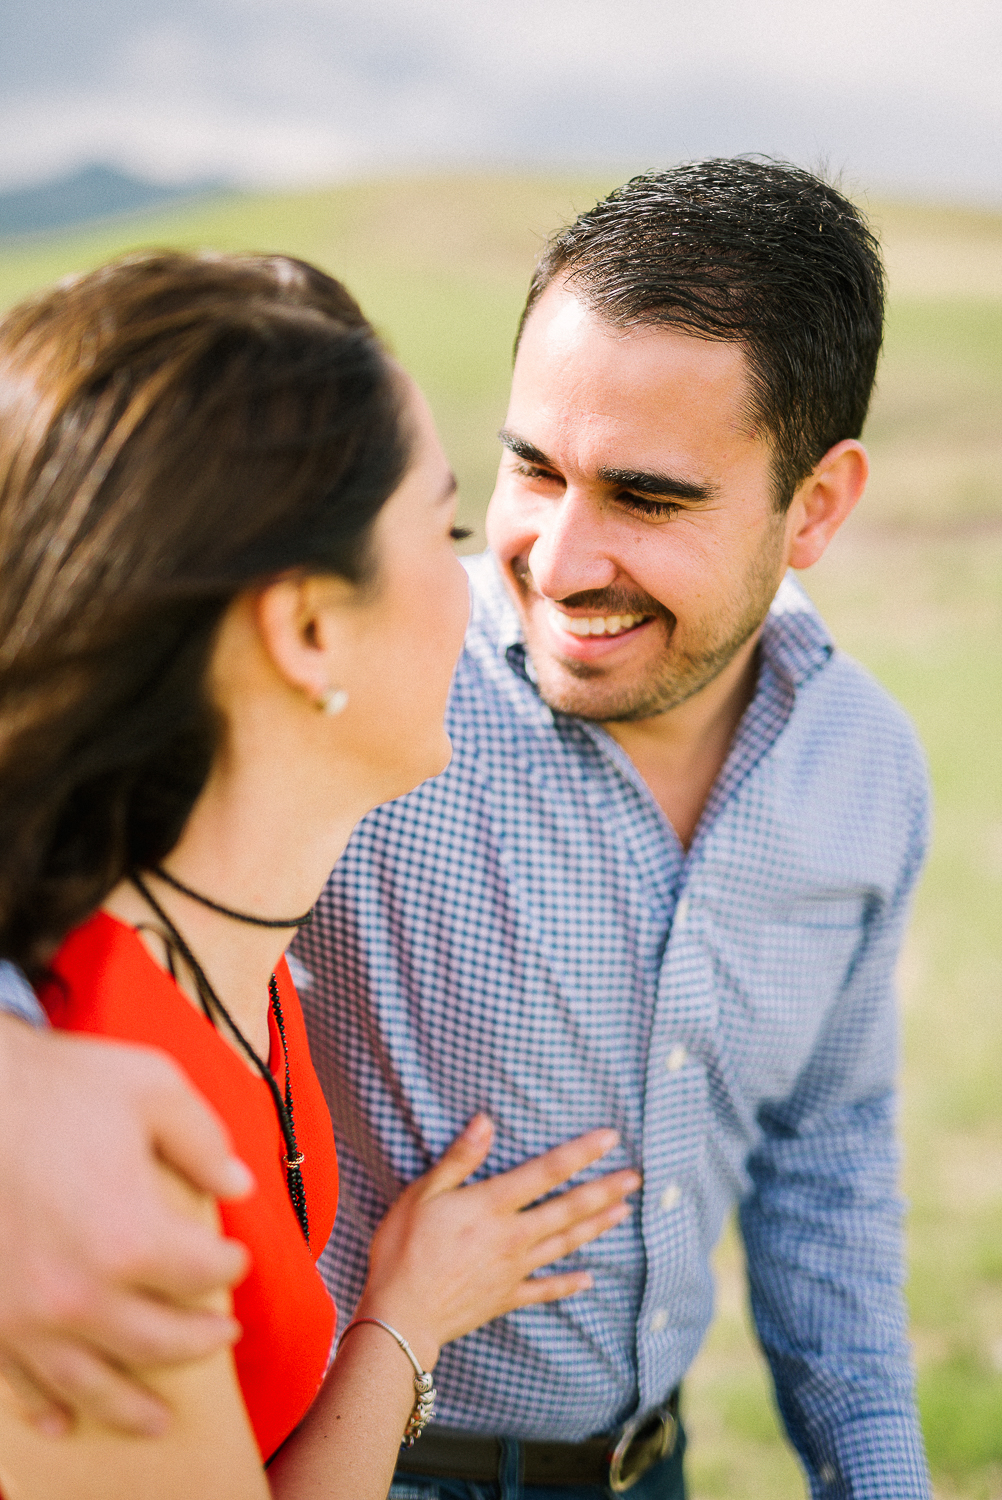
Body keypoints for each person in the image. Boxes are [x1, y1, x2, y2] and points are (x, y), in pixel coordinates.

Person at [0, 157, 932, 1498]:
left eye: (648, 497)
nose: (550, 566)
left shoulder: (866, 772)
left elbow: (828, 1154)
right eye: (525, 475)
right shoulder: (353, 700)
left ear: (817, 506)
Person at [0, 250, 639, 1500]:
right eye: (442, 531)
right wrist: (405, 1323)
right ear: (306, 630)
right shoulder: (102, 1178)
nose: (490, 588)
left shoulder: (237, 953)